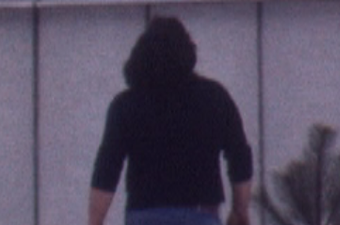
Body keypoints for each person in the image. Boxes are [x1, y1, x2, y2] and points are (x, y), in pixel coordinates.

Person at [89, 17, 253, 225]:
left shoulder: (126, 105)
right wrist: (240, 210)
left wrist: (95, 220)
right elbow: (240, 157)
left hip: (145, 215)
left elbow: (107, 169)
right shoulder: (215, 97)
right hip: (201, 214)